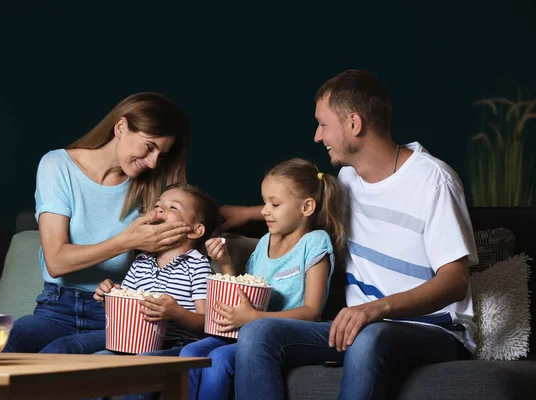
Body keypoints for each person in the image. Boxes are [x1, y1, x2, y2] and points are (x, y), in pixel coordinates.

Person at [226, 70, 478, 400]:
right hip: (356, 329)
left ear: (354, 124)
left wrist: (375, 310)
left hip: (433, 330)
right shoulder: (346, 181)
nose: (317, 136)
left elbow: (455, 281)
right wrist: (243, 216)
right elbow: (301, 209)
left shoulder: (433, 181)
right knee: (258, 334)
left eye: (324, 124)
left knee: (371, 337)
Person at [3, 93, 193, 354]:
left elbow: (183, 246)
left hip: (114, 315)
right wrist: (128, 241)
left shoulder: (152, 189)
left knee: (59, 354)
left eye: (161, 155)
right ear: (121, 127)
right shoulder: (57, 165)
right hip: (55, 308)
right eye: (149, 147)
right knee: (3, 343)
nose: (152, 162)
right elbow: (56, 261)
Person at [180, 158, 345, 400]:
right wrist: (225, 261)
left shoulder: (315, 242)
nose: (264, 210)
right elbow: (246, 292)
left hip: (284, 335)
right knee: (190, 353)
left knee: (219, 359)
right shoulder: (265, 241)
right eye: (264, 201)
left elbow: (312, 311)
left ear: (307, 207)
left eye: (274, 204)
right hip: (246, 330)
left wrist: (254, 318)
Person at [92, 183, 219, 400]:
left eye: (173, 207)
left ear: (195, 230)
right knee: (95, 363)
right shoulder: (141, 260)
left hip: (176, 345)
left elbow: (206, 322)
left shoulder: (197, 266)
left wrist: (176, 313)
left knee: (144, 366)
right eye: (158, 205)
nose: (160, 209)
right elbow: (126, 309)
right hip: (133, 344)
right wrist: (109, 297)